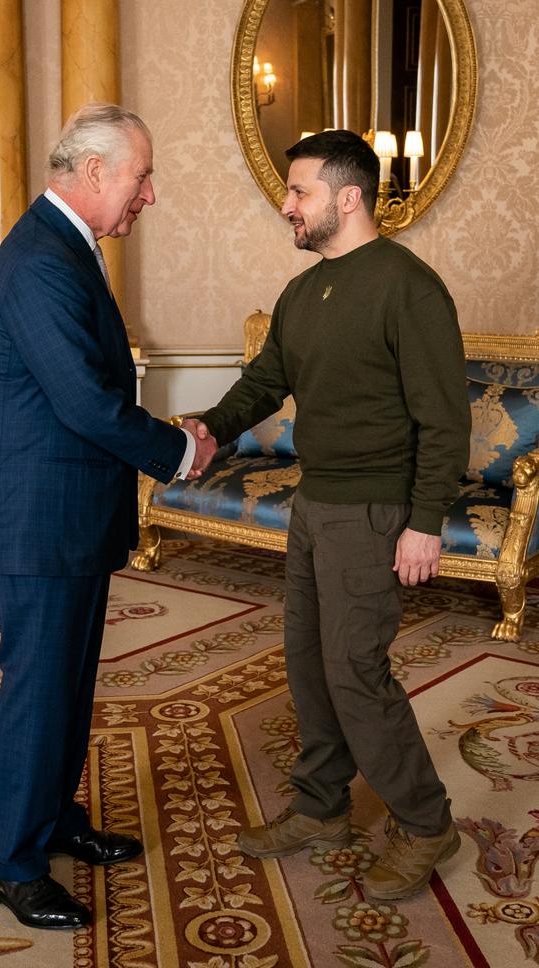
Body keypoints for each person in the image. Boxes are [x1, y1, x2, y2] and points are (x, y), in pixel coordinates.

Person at [187, 129, 470, 900]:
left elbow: (445, 420)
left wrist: (424, 521)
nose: (287, 205)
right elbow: (264, 380)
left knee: (354, 671)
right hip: (315, 504)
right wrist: (209, 426)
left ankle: (425, 823)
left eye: (299, 191)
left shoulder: (408, 287)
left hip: (376, 510)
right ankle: (321, 806)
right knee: (310, 665)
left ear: (348, 198)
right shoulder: (304, 291)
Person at [0, 102, 215, 930]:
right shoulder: (42, 258)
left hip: (65, 516)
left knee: (68, 689)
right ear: (96, 171)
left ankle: (51, 818)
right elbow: (85, 400)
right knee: (39, 694)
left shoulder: (65, 246)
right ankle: (7, 863)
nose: (149, 193)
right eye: (142, 176)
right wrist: (176, 451)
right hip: (39, 525)